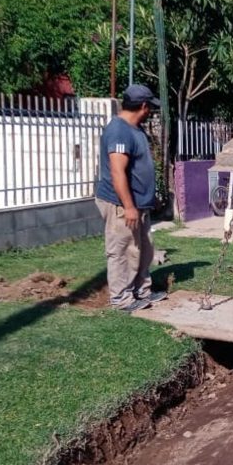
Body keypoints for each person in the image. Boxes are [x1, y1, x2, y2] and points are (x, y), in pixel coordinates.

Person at [94, 84, 169, 312]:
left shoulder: (135, 129)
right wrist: (128, 206)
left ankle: (142, 291)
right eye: (150, 107)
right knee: (123, 249)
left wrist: (149, 198)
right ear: (143, 106)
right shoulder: (119, 130)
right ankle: (121, 299)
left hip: (139, 203)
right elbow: (117, 172)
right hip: (121, 204)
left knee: (144, 249)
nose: (151, 112)